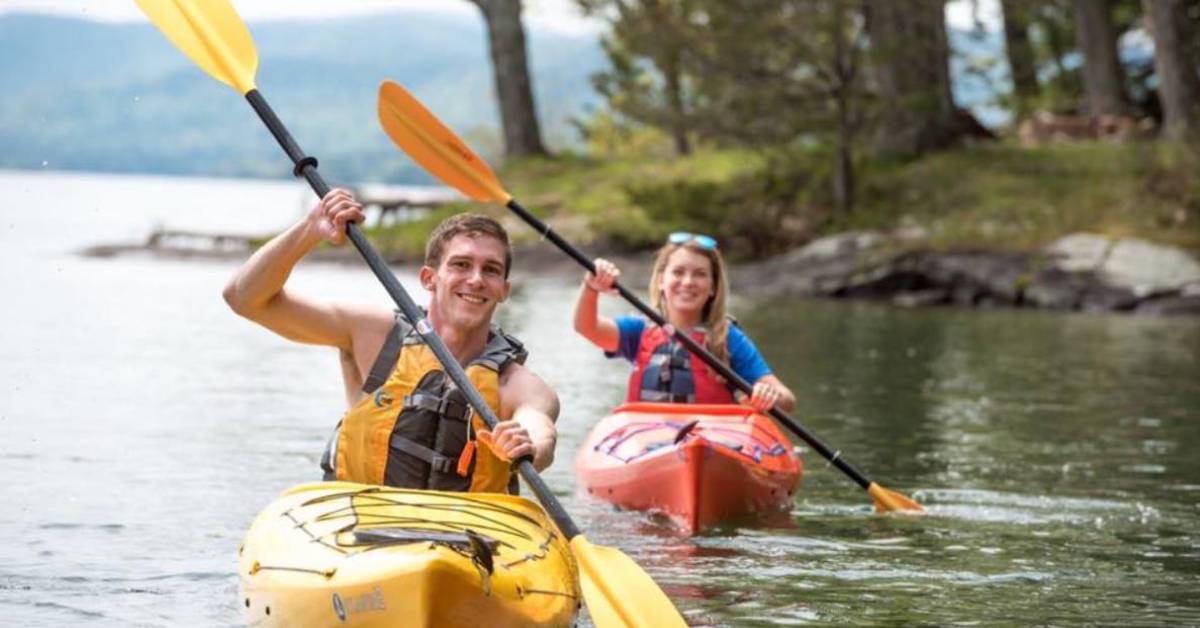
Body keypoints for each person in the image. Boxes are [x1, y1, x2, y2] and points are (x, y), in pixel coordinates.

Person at [223, 188, 559, 493]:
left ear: (504, 289)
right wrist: (310, 230)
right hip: (360, 529)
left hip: (464, 540)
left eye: (490, 270)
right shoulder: (373, 335)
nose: (475, 280)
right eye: (461, 265)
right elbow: (245, 299)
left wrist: (527, 444)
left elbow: (541, 432)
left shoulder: (519, 385)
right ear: (429, 278)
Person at [574, 232, 795, 413]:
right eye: (678, 272)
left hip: (711, 442)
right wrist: (591, 288)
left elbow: (787, 399)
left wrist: (768, 395)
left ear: (713, 287)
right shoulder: (639, 330)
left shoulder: (727, 338)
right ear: (662, 281)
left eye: (699, 274)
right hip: (646, 440)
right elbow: (586, 327)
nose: (688, 282)